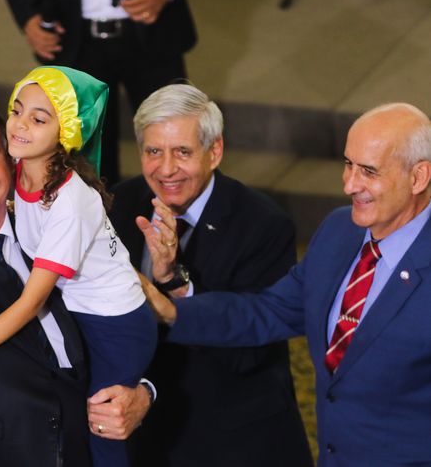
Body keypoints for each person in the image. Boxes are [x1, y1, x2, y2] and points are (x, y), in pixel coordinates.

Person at [146, 102, 431, 466]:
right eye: (347, 164)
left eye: (368, 171)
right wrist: (172, 310)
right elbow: (271, 310)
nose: (349, 184)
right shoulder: (339, 230)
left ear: (418, 177)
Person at [0, 66, 157, 467]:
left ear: (66, 133)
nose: (19, 125)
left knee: (103, 429)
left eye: (39, 119)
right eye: (17, 110)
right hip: (84, 314)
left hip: (117, 326)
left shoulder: (70, 203)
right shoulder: (20, 168)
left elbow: (32, 303)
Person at [110, 84, 313, 466]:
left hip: (233, 440)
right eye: (153, 151)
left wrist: (175, 283)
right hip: (145, 439)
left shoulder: (263, 225)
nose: (166, 169)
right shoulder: (119, 206)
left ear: (214, 151)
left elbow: (250, 353)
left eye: (182, 152)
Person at [0, 0, 202, 185]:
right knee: (88, 157)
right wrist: (28, 13)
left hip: (154, 27)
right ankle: (100, 215)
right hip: (72, 34)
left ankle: (184, 216)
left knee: (175, 136)